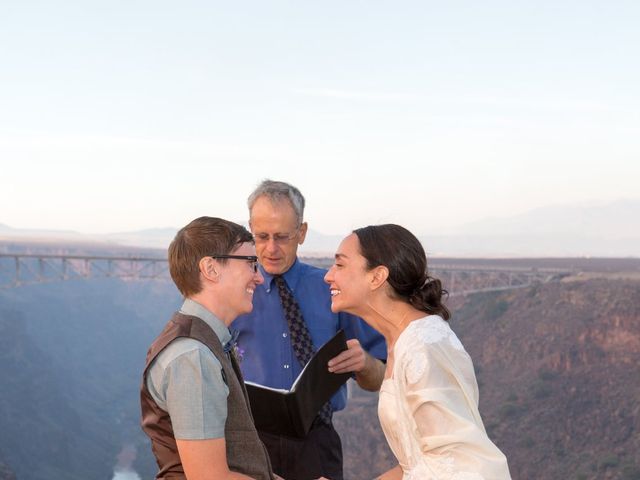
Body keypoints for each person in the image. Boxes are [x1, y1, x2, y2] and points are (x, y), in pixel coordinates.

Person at [324, 224, 512, 480]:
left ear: (376, 276)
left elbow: (454, 463)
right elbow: (414, 464)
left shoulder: (423, 347)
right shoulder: (402, 343)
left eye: (340, 265)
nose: (328, 276)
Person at [232, 180, 387, 480]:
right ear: (250, 228)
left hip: (318, 443)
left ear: (301, 233)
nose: (271, 248)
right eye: (262, 236)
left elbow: (378, 377)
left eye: (283, 237)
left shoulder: (334, 289)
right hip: (249, 442)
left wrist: (366, 364)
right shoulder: (233, 292)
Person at [140, 216, 275, 480]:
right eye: (251, 263)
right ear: (211, 269)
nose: (259, 277)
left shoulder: (205, 345)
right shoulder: (194, 357)